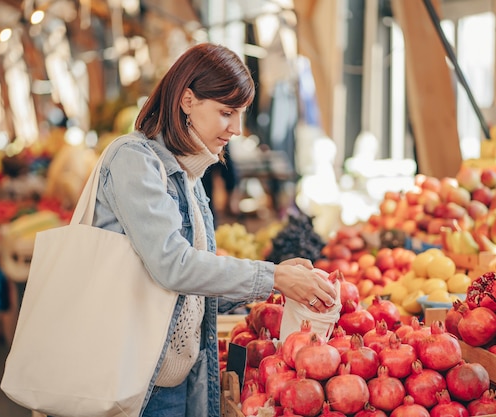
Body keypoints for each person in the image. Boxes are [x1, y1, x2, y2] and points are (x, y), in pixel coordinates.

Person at [91, 43, 337, 417]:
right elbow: (172, 266)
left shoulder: (190, 176)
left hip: (176, 382)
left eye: (240, 114)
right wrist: (271, 277)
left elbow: (187, 295)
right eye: (227, 112)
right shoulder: (134, 161)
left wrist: (272, 294)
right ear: (187, 100)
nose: (236, 129)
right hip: (133, 385)